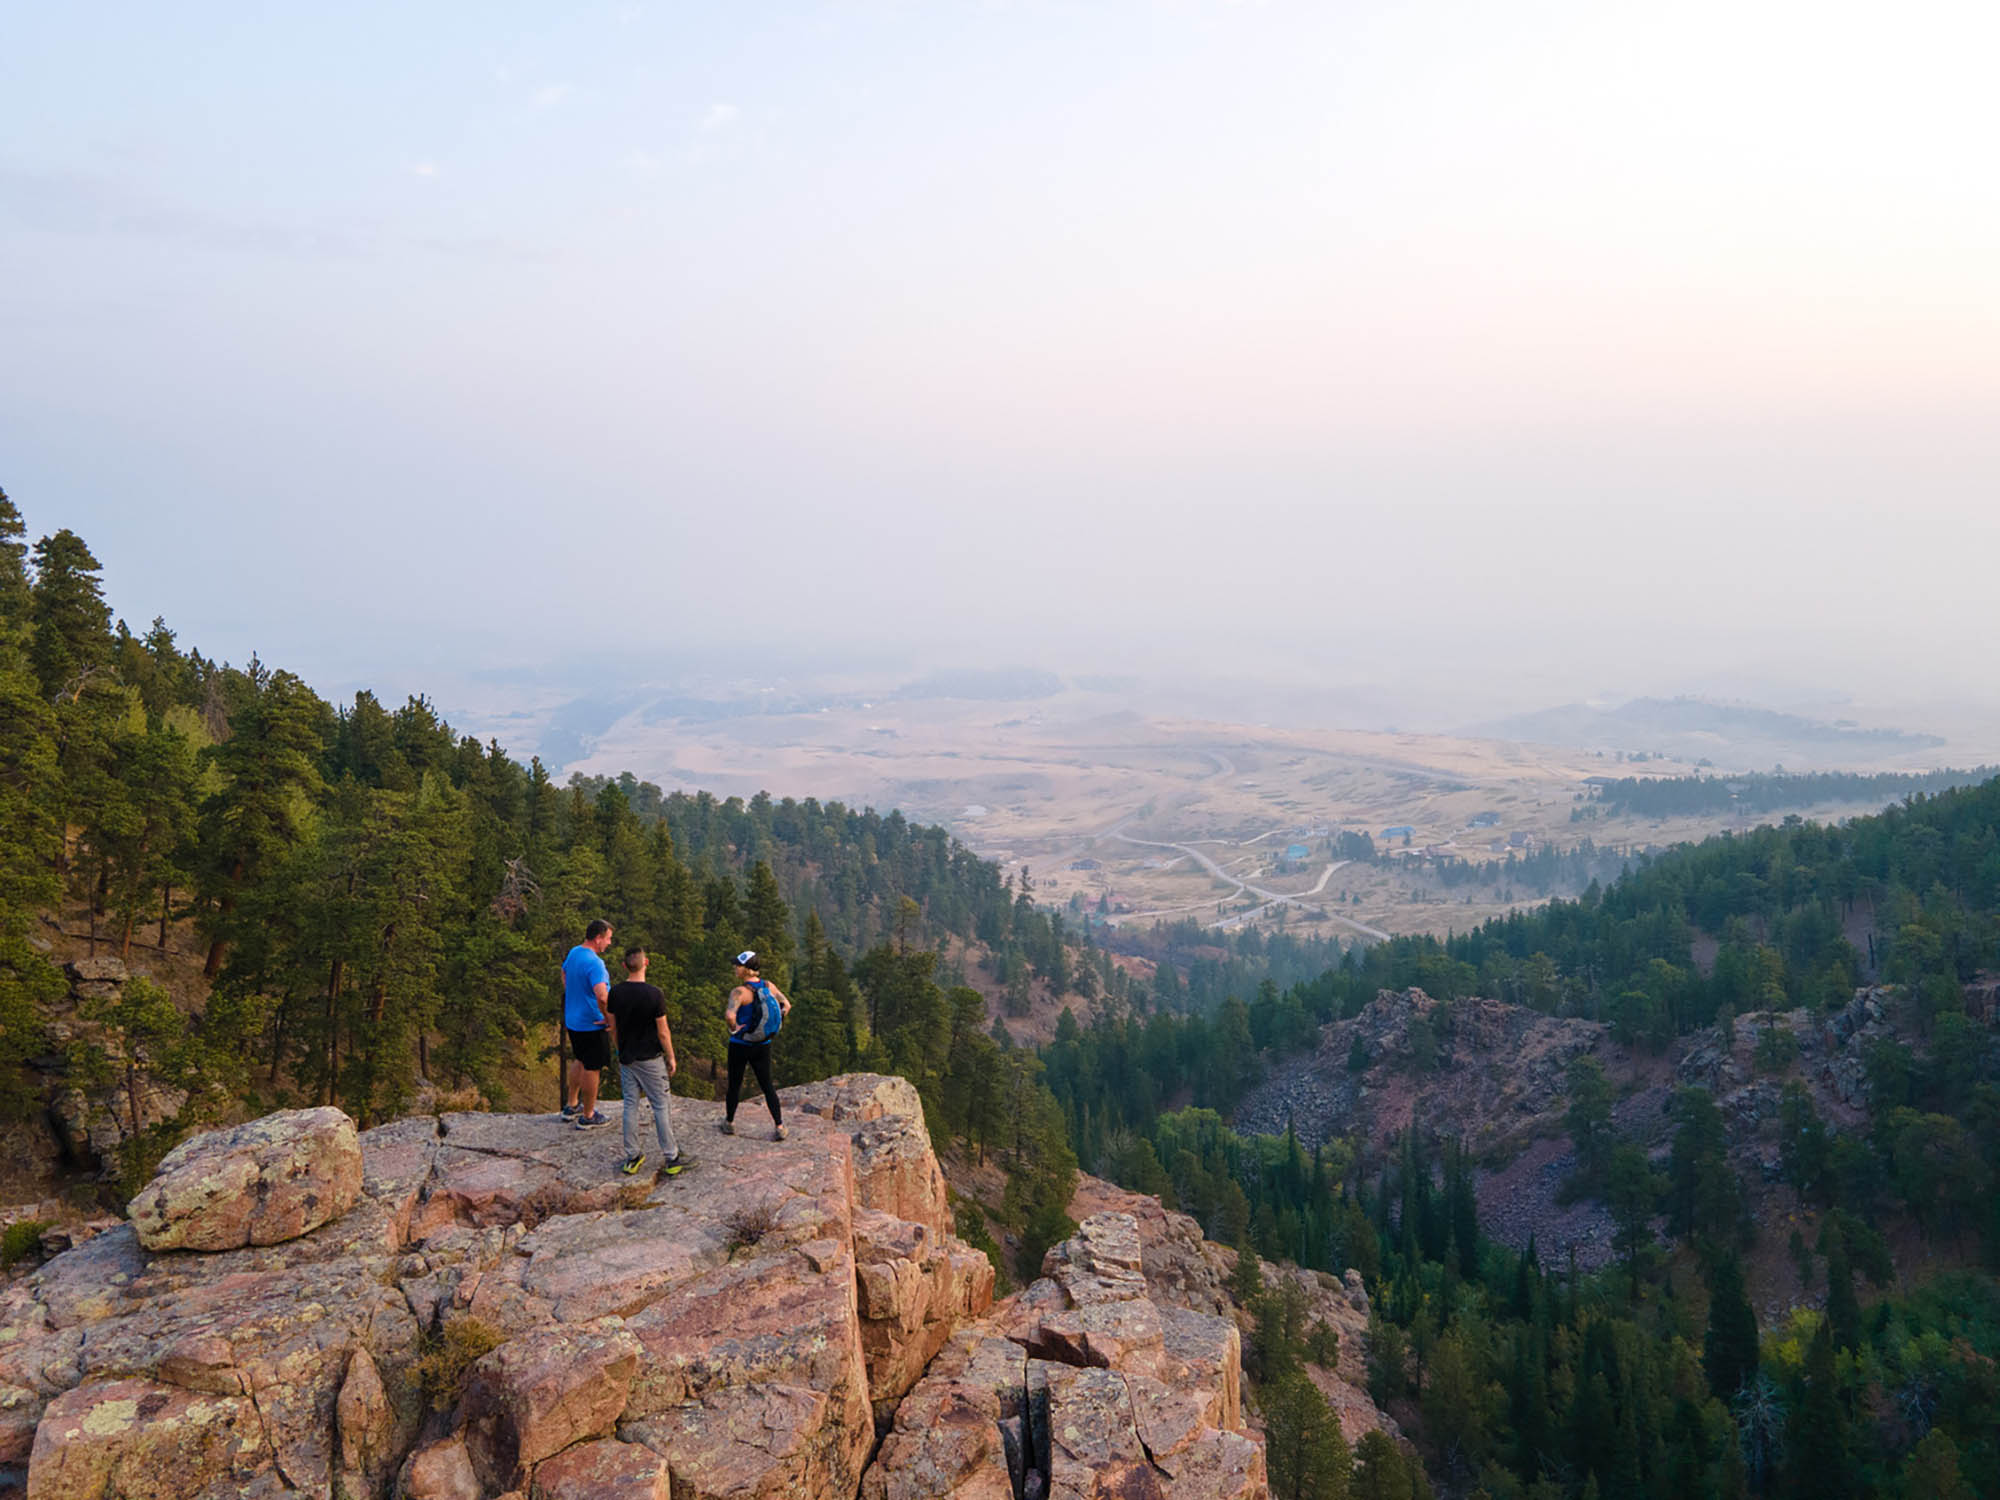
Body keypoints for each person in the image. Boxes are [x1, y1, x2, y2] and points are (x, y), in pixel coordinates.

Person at [606, 947, 685, 1177]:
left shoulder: (616, 993)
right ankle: (672, 1157)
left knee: (630, 1105)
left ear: (624, 966)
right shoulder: (654, 994)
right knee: (661, 1105)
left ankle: (633, 1156)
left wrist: (620, 1049)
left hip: (627, 1058)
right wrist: (671, 1056)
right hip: (651, 1059)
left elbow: (613, 1027)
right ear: (646, 963)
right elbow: (663, 1032)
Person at [721, 950, 790, 1140]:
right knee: (767, 1085)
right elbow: (787, 1005)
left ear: (746, 969)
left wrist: (734, 1028)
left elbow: (729, 1015)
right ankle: (780, 1126)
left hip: (740, 1045)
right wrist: (773, 1025)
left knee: (735, 1084)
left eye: (738, 965)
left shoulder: (739, 992)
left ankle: (729, 1123)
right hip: (762, 1044)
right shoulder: (769, 986)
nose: (735, 968)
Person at [561, 918, 615, 1127]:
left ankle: (571, 1105)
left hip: (574, 1020)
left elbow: (564, 971)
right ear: (598, 938)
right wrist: (609, 1018)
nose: (609, 943)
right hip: (591, 1023)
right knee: (592, 1067)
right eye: (608, 939)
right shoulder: (595, 963)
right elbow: (602, 996)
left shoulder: (575, 952)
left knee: (580, 1059)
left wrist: (572, 992)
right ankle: (588, 1115)